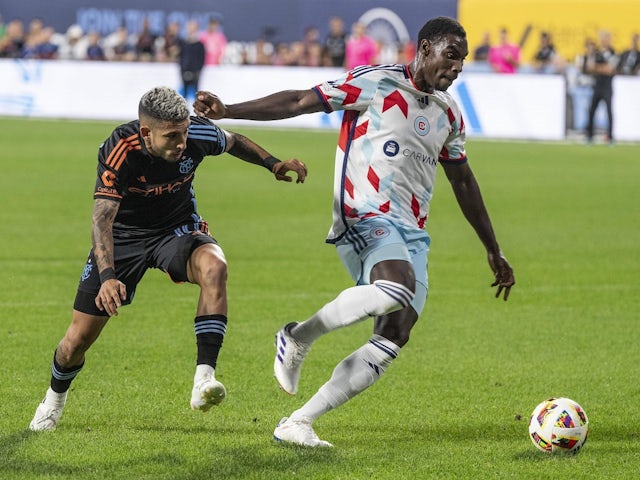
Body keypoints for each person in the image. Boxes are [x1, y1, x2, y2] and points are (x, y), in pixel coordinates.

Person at [194, 15, 515, 448]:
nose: (457, 67)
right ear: (424, 49)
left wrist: (493, 249)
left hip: (411, 233)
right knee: (396, 288)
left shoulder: (449, 113)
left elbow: (463, 181)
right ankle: (296, 336)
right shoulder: (377, 83)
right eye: (451, 55)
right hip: (363, 213)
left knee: (396, 331)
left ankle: (298, 422)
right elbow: (298, 101)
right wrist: (231, 111)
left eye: (463, 60)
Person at [28, 86, 308, 432]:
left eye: (185, 132)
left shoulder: (195, 133)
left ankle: (204, 379)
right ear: (146, 133)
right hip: (124, 238)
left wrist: (273, 164)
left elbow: (233, 141)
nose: (181, 142)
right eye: (172, 136)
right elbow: (102, 219)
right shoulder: (120, 149)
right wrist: (107, 277)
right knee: (76, 342)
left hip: (175, 230)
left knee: (215, 266)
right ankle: (53, 402)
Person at [582, 31, 617, 143]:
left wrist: (598, 68)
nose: (604, 40)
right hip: (597, 85)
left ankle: (610, 136)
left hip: (607, 86)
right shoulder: (597, 53)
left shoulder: (613, 53)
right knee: (592, 110)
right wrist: (602, 68)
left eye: (606, 38)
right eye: (602, 38)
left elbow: (610, 70)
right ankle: (590, 136)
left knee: (609, 111)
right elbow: (590, 67)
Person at [178, 20, 206, 103]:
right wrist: (183, 69)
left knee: (196, 93)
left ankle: (198, 111)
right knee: (184, 93)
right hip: (184, 70)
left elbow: (201, 59)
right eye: (189, 27)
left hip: (195, 71)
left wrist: (197, 70)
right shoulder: (183, 43)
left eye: (192, 27)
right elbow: (181, 57)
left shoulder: (200, 45)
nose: (190, 29)